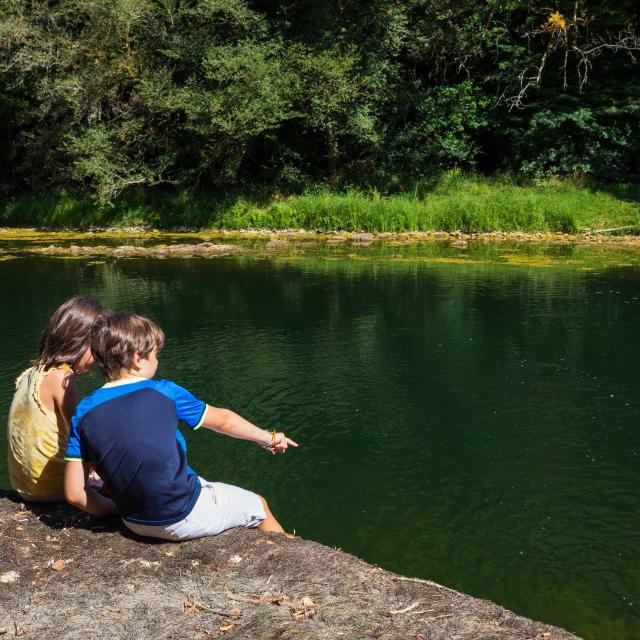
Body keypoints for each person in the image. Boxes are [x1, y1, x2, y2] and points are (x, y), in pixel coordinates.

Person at [64, 312, 298, 539]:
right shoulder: (164, 392)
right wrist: (269, 437)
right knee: (259, 505)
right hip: (182, 516)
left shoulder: (83, 411)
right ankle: (292, 554)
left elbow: (75, 493)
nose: (157, 360)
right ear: (137, 358)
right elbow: (224, 421)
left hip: (133, 521)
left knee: (194, 479)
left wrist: (114, 509)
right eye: (155, 354)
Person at [7, 296, 108, 501]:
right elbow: (85, 435)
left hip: (24, 486)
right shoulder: (62, 379)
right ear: (78, 342)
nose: (98, 356)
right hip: (52, 487)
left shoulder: (32, 372)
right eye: (95, 347)